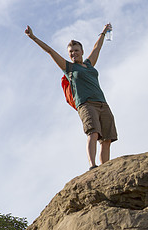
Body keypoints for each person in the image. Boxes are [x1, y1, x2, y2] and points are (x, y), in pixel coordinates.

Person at [25, 24, 118, 170]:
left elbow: (97, 47)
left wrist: (103, 32)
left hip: (102, 103)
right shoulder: (69, 68)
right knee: (93, 133)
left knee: (107, 139)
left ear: (81, 51)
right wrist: (33, 37)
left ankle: (105, 169)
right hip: (86, 104)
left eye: (76, 50)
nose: (73, 53)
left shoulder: (89, 64)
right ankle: (93, 165)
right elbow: (50, 51)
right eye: (71, 52)